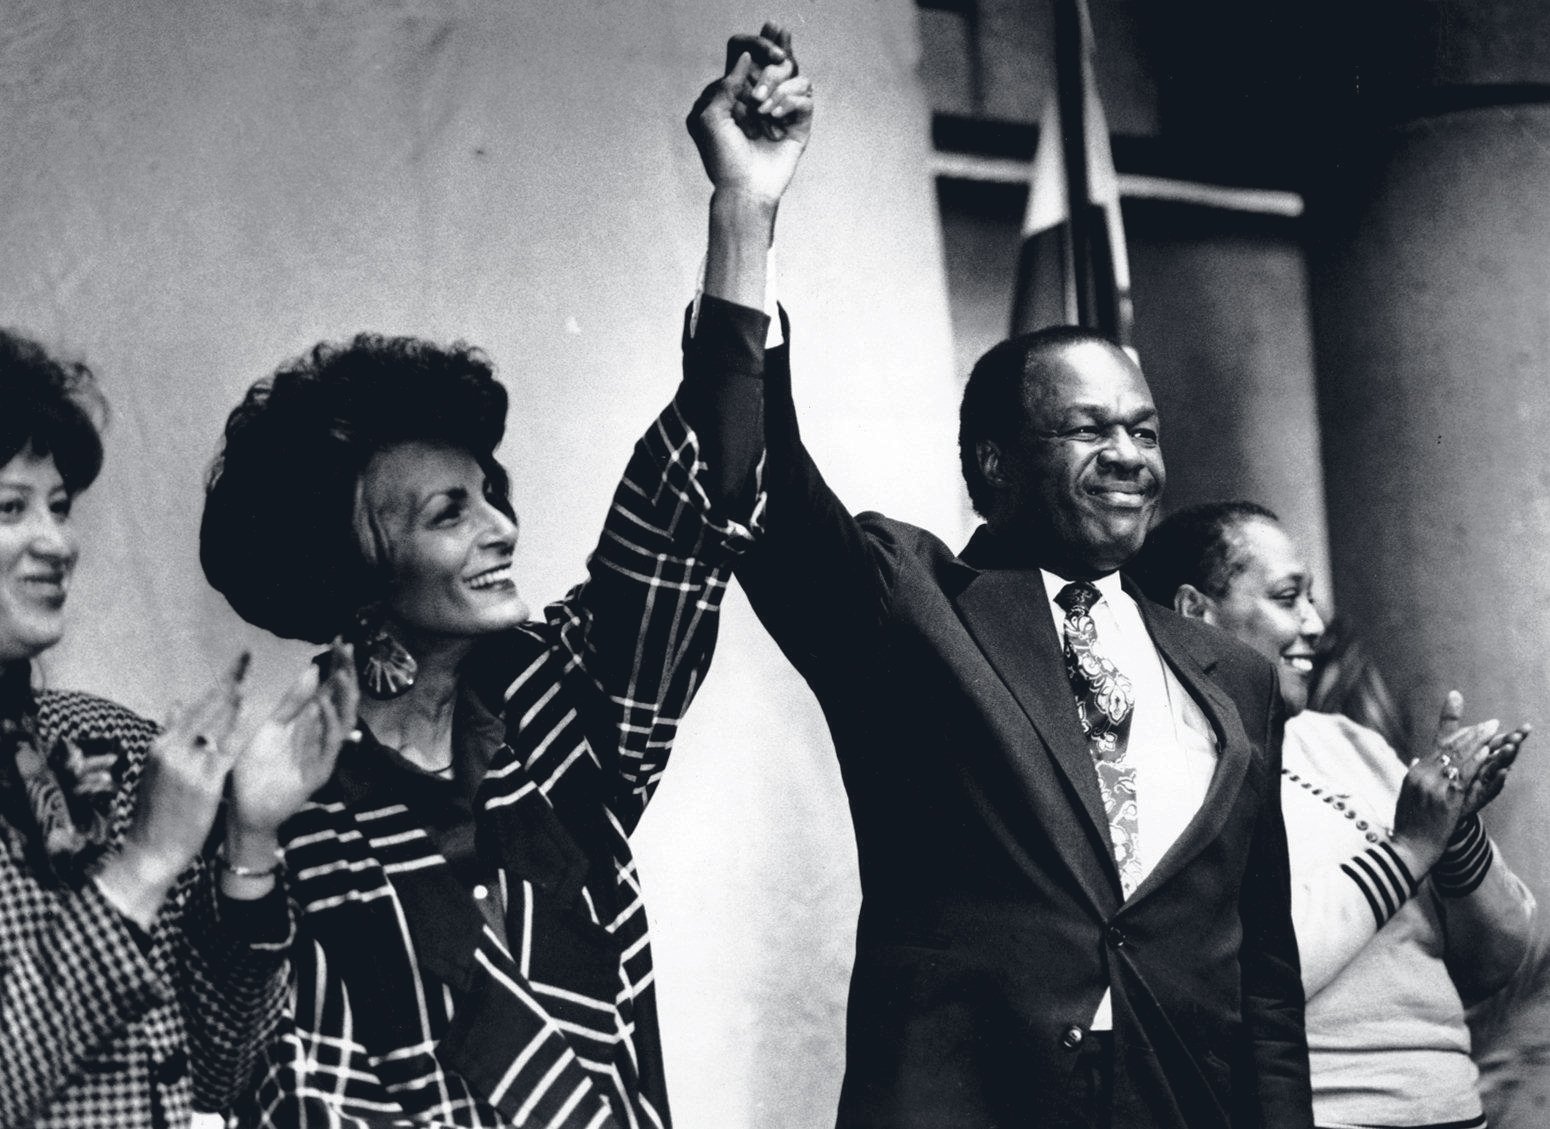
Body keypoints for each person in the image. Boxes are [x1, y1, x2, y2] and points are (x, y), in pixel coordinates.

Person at [197, 41, 811, 1129]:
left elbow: (690, 505)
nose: (500, 528)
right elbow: (232, 1066)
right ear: (354, 575)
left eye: (489, 493)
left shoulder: (555, 705)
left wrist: (739, 207)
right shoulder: (283, 802)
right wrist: (246, 853)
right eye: (448, 512)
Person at [704, 30, 1308, 1128]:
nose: (1128, 455)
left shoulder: (1232, 676)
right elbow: (748, 478)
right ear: (993, 466)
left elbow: (1260, 983)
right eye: (1085, 429)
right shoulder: (911, 606)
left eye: (1143, 428)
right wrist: (745, 214)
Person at [0, 329, 358, 1128]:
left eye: (59, 506)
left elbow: (223, 1068)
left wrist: (250, 844)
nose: (57, 542)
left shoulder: (111, 745)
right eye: (11, 508)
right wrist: (142, 866)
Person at [1130, 501, 1535, 1129]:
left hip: (1457, 1109)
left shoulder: (1346, 742)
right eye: (1287, 597)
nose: (1315, 624)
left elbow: (1497, 961)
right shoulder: (1157, 771)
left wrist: (1456, 836)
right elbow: (1250, 970)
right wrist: (1408, 852)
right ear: (1196, 614)